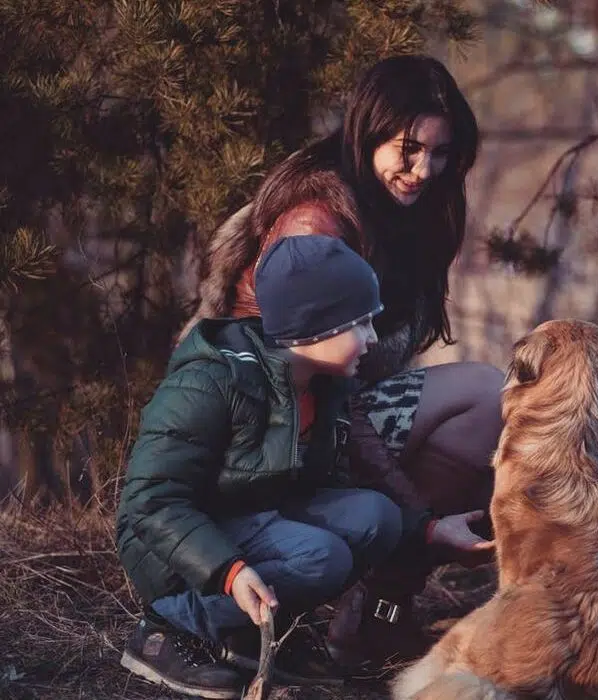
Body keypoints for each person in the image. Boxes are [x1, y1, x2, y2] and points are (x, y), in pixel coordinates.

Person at [176, 54, 503, 662]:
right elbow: (303, 391)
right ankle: (339, 607)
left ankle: (377, 613)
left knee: (491, 405)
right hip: (274, 432)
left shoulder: (412, 212)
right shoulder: (316, 223)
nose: (422, 170)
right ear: (367, 131)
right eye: (407, 148)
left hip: (335, 412)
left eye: (438, 152)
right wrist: (423, 518)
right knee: (484, 395)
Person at [117, 236, 492, 699]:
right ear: (311, 330)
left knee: (377, 518)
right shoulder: (209, 383)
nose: (373, 338)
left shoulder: (322, 383)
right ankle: (164, 630)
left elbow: (346, 482)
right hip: (175, 555)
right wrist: (229, 571)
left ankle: (251, 637)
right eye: (360, 324)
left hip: (254, 522)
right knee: (322, 556)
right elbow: (150, 500)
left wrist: (429, 530)